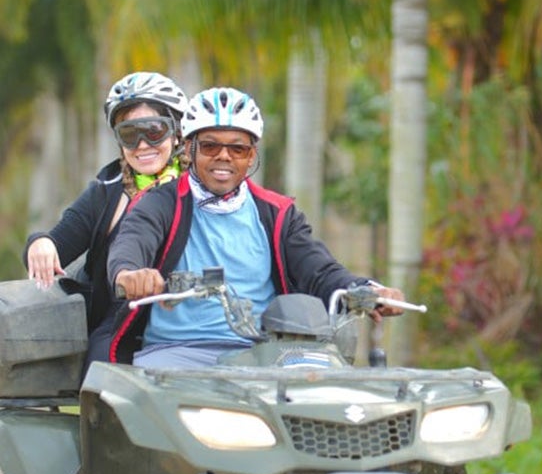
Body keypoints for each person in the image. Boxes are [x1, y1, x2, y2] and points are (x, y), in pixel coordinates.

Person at [107, 86, 405, 367]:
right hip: (177, 353)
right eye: (210, 146)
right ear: (188, 149)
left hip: (265, 356)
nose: (224, 156)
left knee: (324, 394)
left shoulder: (277, 213)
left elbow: (319, 270)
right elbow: (133, 240)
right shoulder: (160, 203)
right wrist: (131, 273)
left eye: (238, 149)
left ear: (251, 156)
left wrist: (368, 290)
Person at [23, 71, 189, 366]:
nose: (141, 145)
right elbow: (58, 242)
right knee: (100, 378)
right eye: (128, 134)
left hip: (193, 319)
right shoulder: (106, 190)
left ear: (177, 132)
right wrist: (40, 244)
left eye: (153, 131)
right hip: (120, 323)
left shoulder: (200, 187)